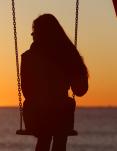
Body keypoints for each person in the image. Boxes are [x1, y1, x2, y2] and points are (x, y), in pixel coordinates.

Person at [21, 14, 88, 151]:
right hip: (59, 114)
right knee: (60, 131)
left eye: (34, 32)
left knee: (44, 137)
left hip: (36, 114)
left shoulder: (28, 57)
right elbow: (80, 90)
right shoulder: (67, 55)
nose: (32, 35)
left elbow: (26, 90)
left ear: (40, 34)